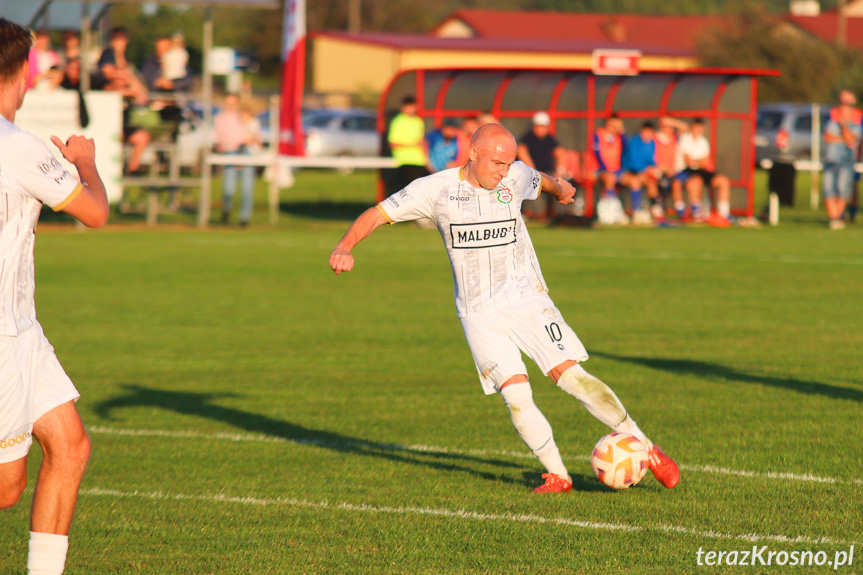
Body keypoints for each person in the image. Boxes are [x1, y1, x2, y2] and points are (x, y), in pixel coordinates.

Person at [329, 123, 679, 494]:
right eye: (496, 162)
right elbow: (376, 214)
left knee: (571, 377)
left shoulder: (514, 175)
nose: (503, 170)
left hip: (526, 298)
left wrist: (561, 189)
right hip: (477, 313)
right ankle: (558, 475)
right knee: (515, 397)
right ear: (472, 152)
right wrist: (345, 246)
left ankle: (648, 448)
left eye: (508, 162)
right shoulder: (434, 189)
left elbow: (540, 179)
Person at [0, 18, 109, 575]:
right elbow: (95, 211)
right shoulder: (15, 146)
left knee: (71, 446)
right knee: (5, 491)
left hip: (24, 329)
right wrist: (83, 160)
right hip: (3, 338)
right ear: (19, 71)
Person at [676, 118, 732, 226]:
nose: (698, 130)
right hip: (687, 171)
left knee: (723, 181)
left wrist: (696, 161)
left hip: (702, 171)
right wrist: (699, 161)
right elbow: (688, 161)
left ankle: (723, 214)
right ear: (692, 127)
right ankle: (696, 213)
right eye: (696, 128)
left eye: (700, 128)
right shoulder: (685, 139)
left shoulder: (703, 141)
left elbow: (705, 163)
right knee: (696, 181)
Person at [214, 93, 259, 227]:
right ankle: (226, 211)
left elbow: (255, 135)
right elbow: (220, 138)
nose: (230, 106)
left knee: (247, 188)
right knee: (229, 188)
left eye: (233, 103)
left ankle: (244, 218)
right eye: (228, 103)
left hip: (246, 153)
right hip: (230, 152)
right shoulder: (219, 118)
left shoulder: (244, 117)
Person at [822, 90, 862, 230]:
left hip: (846, 161)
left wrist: (844, 126)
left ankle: (838, 217)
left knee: (842, 190)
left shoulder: (856, 123)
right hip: (830, 159)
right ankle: (834, 218)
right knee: (828, 190)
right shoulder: (833, 121)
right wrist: (842, 138)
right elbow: (827, 137)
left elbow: (851, 140)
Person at [518, 111, 566, 219]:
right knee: (535, 183)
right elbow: (521, 150)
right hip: (533, 173)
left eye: (543, 126)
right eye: (538, 126)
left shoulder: (549, 139)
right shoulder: (528, 138)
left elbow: (560, 152)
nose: (540, 129)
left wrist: (560, 170)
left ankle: (558, 215)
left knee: (560, 183)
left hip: (548, 173)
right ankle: (536, 214)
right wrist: (533, 171)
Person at [620, 121, 662, 224]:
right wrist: (647, 170)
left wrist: (655, 168)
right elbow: (633, 163)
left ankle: (655, 210)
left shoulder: (652, 143)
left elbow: (651, 160)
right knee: (635, 182)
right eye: (645, 132)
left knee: (652, 182)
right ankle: (637, 212)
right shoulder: (634, 142)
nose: (647, 135)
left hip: (643, 173)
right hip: (628, 172)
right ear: (641, 131)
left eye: (649, 133)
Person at [593, 114, 629, 225]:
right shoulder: (598, 135)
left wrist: (622, 132)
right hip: (599, 170)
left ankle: (638, 212)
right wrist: (606, 170)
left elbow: (627, 149)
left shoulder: (619, 137)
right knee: (610, 179)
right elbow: (597, 155)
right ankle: (610, 213)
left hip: (616, 170)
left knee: (634, 181)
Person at [387, 96, 429, 191]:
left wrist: (426, 158)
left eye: (412, 106)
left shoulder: (418, 121)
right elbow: (393, 143)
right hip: (405, 161)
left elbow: (422, 142)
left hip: (419, 161)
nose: (410, 109)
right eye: (408, 106)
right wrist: (413, 145)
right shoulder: (397, 122)